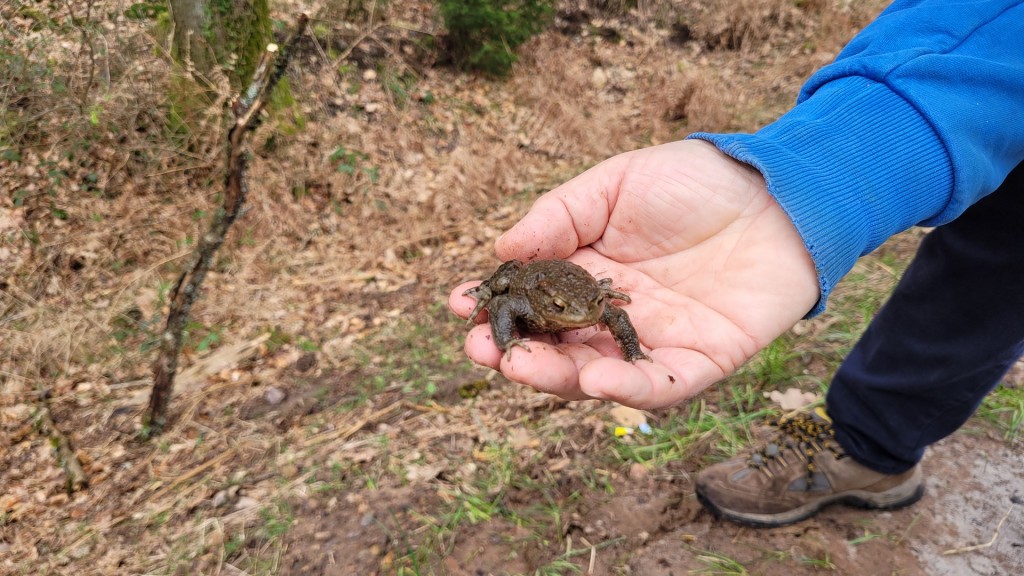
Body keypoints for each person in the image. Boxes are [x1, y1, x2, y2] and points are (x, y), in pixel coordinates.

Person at [448, 0, 1024, 527]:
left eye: (591, 308)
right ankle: (870, 436)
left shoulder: (593, 304)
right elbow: (515, 298)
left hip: (576, 287)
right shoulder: (537, 302)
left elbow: (609, 314)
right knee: (986, 253)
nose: (585, 316)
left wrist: (628, 343)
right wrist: (510, 329)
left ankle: (874, 447)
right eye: (575, 311)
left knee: (1005, 280)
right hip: (540, 285)